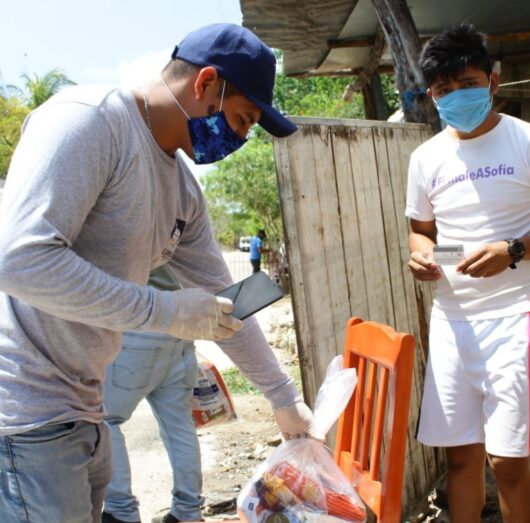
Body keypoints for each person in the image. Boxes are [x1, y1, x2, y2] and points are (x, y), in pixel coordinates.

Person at [0, 23, 319, 523]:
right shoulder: (89, 122)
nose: (239, 138)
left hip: (84, 406)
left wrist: (283, 397)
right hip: (25, 412)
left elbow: (229, 301)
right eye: (241, 119)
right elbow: (17, 259)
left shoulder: (181, 190)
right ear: (206, 83)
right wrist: (166, 311)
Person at [405, 25, 530, 523]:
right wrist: (422, 255)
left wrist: (515, 250)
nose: (456, 96)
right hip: (451, 321)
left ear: (493, 80)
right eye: (444, 90)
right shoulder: (426, 159)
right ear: (431, 96)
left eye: (467, 82)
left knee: (507, 462)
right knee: (460, 458)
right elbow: (420, 231)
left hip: (519, 320)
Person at [102, 265, 203, 523]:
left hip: (139, 320)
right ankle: (188, 511)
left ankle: (120, 512)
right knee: (179, 422)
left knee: (105, 419)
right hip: (177, 324)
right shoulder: (171, 226)